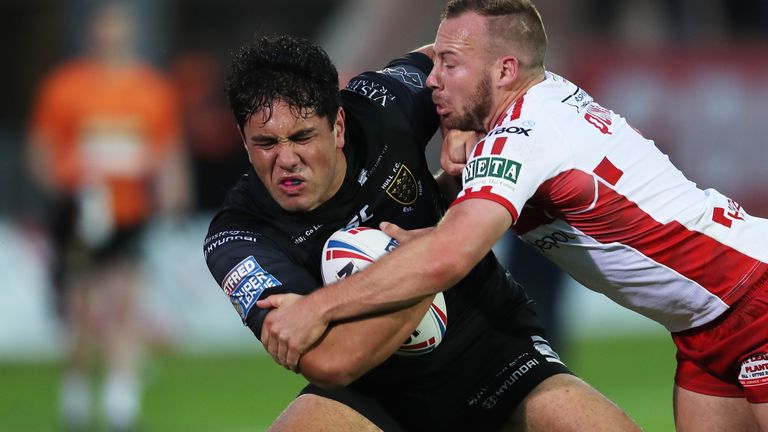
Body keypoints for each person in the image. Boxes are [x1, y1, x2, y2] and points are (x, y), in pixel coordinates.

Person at [256, 1, 768, 431]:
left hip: (757, 296)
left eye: (449, 66)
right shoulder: (530, 104)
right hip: (703, 329)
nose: (431, 79)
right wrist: (459, 132)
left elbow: (448, 256)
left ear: (503, 70)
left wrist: (317, 308)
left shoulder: (524, 136)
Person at [204, 35, 639, 431]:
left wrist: (461, 121)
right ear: (244, 143)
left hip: (493, 347)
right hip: (372, 390)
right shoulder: (237, 236)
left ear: (337, 126)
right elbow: (332, 362)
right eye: (265, 144)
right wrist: (432, 264)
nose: (286, 160)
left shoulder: (380, 104)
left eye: (302, 137)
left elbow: (466, 53)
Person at [26, 2, 189, 430]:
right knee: (81, 309)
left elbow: (167, 149)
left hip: (130, 212)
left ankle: (121, 403)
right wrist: (68, 186)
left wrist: (174, 189)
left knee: (124, 302)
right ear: (92, 34)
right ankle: (76, 393)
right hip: (82, 215)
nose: (110, 35)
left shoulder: (151, 89)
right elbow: (42, 150)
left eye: (118, 27)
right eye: (104, 28)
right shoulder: (65, 87)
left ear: (127, 34)